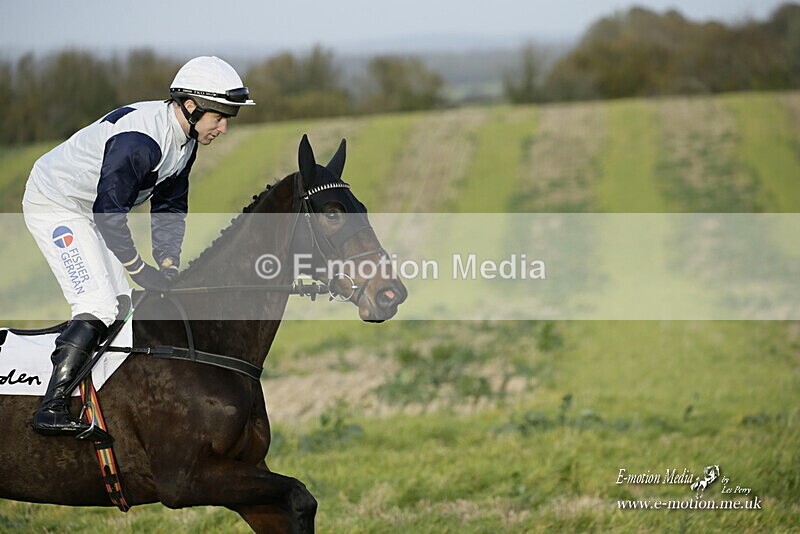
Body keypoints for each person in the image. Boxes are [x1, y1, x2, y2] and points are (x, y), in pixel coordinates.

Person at [22, 56, 255, 436]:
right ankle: (51, 408)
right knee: (97, 304)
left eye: (229, 117)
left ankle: (106, 398)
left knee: (122, 305)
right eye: (220, 117)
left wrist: (166, 261)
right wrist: (137, 266)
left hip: (93, 208)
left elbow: (170, 205)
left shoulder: (184, 142)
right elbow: (109, 214)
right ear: (191, 107)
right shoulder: (140, 143)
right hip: (57, 203)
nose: (224, 128)